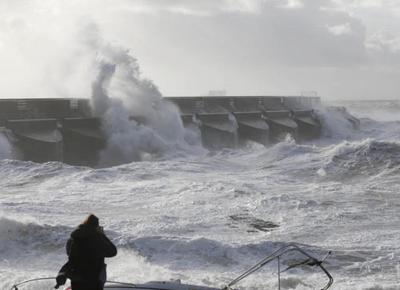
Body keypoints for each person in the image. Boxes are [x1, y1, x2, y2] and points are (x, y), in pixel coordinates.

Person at [55, 214, 117, 290]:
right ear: (96, 226)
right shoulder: (97, 238)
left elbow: (69, 254)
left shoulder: (74, 237)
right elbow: (113, 252)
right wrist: (102, 235)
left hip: (77, 278)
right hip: (93, 278)